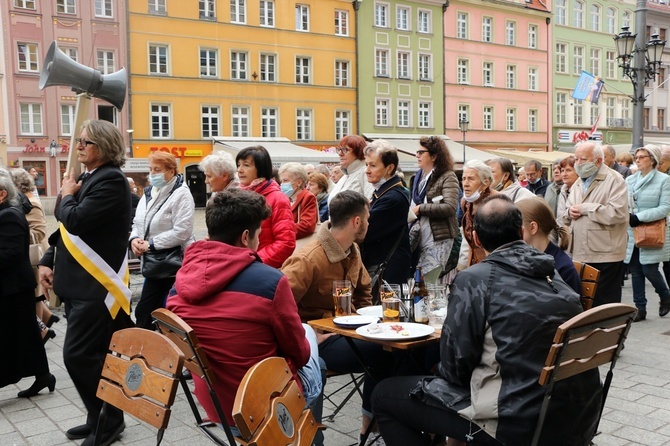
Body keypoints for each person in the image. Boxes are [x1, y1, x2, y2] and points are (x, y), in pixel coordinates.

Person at [371, 196, 602, 446]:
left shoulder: (475, 279)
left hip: (514, 423)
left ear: (477, 239)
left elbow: (454, 368)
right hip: (574, 417)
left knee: (383, 395)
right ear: (521, 232)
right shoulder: (553, 274)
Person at [166, 189, 322, 435]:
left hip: (217, 409)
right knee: (309, 336)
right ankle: (306, 436)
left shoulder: (179, 285)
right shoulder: (271, 282)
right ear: (246, 237)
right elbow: (300, 355)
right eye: (259, 234)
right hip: (267, 408)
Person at [38, 120, 134, 446]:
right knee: (90, 355)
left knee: (78, 356)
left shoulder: (112, 181)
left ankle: (109, 422)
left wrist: (65, 195)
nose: (78, 146)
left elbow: (75, 219)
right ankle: (99, 418)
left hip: (96, 289)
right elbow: (65, 233)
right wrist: (47, 261)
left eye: (86, 142)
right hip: (79, 287)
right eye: (78, 140)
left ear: (104, 147)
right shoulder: (88, 178)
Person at [281, 190, 390, 437]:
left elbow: (363, 290)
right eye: (368, 218)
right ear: (357, 221)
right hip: (316, 344)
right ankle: (373, 427)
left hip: (347, 332)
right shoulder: (309, 258)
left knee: (396, 348)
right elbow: (277, 306)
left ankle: (373, 426)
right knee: (386, 352)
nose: (369, 223)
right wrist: (306, 334)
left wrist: (366, 320)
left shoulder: (352, 250)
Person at [0, 170, 55, 398]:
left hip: (13, 287)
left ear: (2, 194)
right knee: (27, 333)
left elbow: (11, 253)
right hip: (10, 287)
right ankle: (43, 376)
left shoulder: (9, 215)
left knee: (15, 335)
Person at [129, 151, 195, 330]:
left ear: (171, 171)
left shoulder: (181, 194)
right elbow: (138, 222)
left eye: (157, 170)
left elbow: (182, 231)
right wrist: (134, 238)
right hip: (153, 262)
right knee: (152, 311)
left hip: (172, 263)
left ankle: (146, 347)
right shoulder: (149, 192)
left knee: (147, 311)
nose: (152, 174)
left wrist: (150, 244)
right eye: (151, 169)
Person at [561, 142, 628, 307]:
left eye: (583, 159)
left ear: (598, 161)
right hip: (579, 252)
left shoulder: (614, 180)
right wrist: (569, 213)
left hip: (605, 253)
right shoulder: (578, 182)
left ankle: (607, 333)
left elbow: (618, 213)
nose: (578, 163)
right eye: (576, 159)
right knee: (585, 303)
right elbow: (565, 212)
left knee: (604, 305)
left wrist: (586, 208)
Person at [10, 168, 58, 341]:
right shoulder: (16, 203)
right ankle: (44, 323)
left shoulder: (32, 203)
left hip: (33, 258)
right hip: (25, 256)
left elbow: (39, 232)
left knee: (35, 298)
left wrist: (15, 232)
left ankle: (40, 331)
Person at [624, 145, 670, 322]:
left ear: (652, 159)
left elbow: (665, 208)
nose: (637, 159)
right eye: (636, 156)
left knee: (650, 269)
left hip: (651, 230)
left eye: (642, 156)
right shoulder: (630, 180)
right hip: (632, 230)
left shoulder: (664, 180)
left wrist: (639, 217)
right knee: (635, 270)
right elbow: (625, 202)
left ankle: (665, 295)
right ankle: (639, 308)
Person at [360, 139, 411, 287]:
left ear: (389, 168)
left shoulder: (393, 197)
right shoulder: (387, 191)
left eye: (373, 165)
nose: (367, 170)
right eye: (366, 164)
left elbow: (365, 230)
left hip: (388, 269)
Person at [409, 136, 460, 283]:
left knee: (426, 283)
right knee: (419, 282)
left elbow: (450, 207)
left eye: (421, 152)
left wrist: (421, 208)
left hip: (439, 238)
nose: (416, 155)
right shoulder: (418, 177)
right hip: (420, 237)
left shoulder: (447, 176)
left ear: (434, 156)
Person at [236, 145, 295, 267]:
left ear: (261, 169)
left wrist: (255, 261)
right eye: (238, 165)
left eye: (246, 165)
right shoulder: (236, 195)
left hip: (259, 268)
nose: (240, 170)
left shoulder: (277, 199)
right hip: (237, 265)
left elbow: (286, 242)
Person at [517, 197, 581, 294]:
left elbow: (573, 306)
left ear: (533, 227)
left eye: (516, 225)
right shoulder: (523, 257)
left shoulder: (563, 267)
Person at [460, 160, 496, 267]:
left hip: (493, 265)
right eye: (463, 179)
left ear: (486, 183)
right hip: (473, 264)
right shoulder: (465, 202)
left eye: (471, 179)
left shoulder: (497, 203)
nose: (465, 184)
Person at [328, 135, 374, 204]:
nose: (340, 154)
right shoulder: (346, 175)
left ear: (358, 152)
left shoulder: (365, 173)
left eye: (345, 150)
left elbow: (370, 203)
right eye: (339, 149)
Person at [278, 162, 318, 240]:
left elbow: (307, 226)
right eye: (281, 181)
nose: (282, 184)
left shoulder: (308, 197)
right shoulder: (285, 198)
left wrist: (280, 230)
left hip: (298, 244)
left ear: (299, 182)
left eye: (285, 180)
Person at [555, 156, 578, 223]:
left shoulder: (581, 190)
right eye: (562, 171)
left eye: (568, 170)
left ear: (577, 172)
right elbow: (559, 216)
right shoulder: (563, 190)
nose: (564, 174)